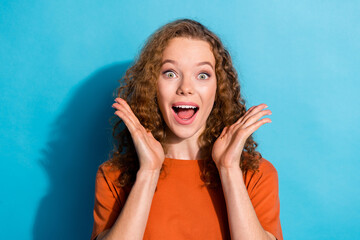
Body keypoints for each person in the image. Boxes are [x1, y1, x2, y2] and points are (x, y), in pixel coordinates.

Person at [91, 19, 283, 240]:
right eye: (170, 73)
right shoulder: (114, 176)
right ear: (152, 85)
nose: (186, 88)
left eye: (202, 75)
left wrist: (229, 169)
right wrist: (149, 172)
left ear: (218, 89)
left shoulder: (257, 174)